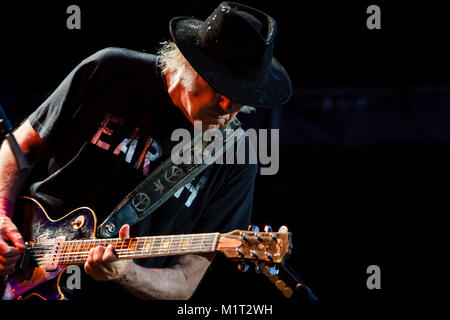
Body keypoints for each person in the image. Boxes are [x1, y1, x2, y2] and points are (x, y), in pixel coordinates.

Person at [0, 2, 292, 300]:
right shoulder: (111, 69)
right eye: (222, 90)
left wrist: (129, 274)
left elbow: (185, 280)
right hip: (16, 266)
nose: (228, 109)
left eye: (240, 98)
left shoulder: (235, 157)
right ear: (191, 64)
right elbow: (20, 146)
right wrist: (1, 214)